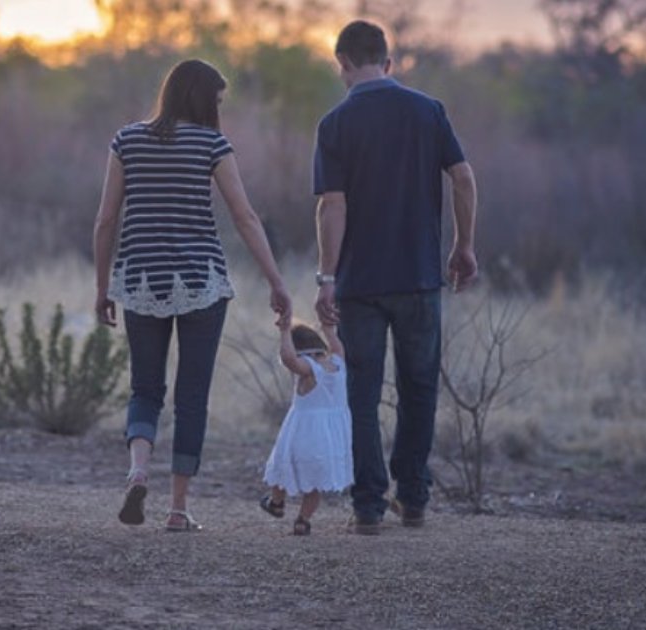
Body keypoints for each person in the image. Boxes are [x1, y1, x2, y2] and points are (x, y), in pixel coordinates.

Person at [92, 59, 292, 532]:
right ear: (203, 99)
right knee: (192, 396)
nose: (220, 110)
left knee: (145, 388)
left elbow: (105, 221)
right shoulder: (212, 144)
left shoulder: (127, 140)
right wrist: (276, 280)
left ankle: (139, 469)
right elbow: (245, 217)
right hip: (201, 281)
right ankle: (178, 509)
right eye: (218, 101)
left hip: (140, 279)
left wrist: (103, 288)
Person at [312, 20, 479, 535]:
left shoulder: (335, 123)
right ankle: (413, 498)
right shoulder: (428, 111)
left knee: (361, 394)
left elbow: (331, 206)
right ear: (388, 61)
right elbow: (464, 177)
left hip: (360, 283)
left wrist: (326, 276)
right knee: (419, 388)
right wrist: (463, 245)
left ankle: (367, 506)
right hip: (420, 277)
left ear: (342, 63)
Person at [259, 319, 354, 536]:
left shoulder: (308, 369)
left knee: (282, 468)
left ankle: (276, 502)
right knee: (314, 484)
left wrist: (284, 332)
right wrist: (328, 329)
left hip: (303, 434)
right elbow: (338, 346)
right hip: (330, 439)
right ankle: (303, 520)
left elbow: (289, 359)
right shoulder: (338, 363)